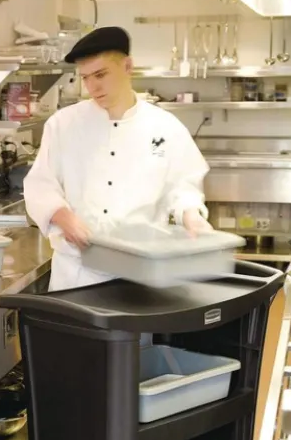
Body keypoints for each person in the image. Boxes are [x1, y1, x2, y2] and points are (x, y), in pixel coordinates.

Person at [23, 26, 212, 292]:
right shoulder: (63, 125)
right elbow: (41, 185)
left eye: (101, 74)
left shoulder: (165, 127)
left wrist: (191, 215)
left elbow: (183, 187)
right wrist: (63, 216)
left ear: (127, 66)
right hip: (77, 274)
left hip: (141, 274)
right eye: (85, 78)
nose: (93, 87)